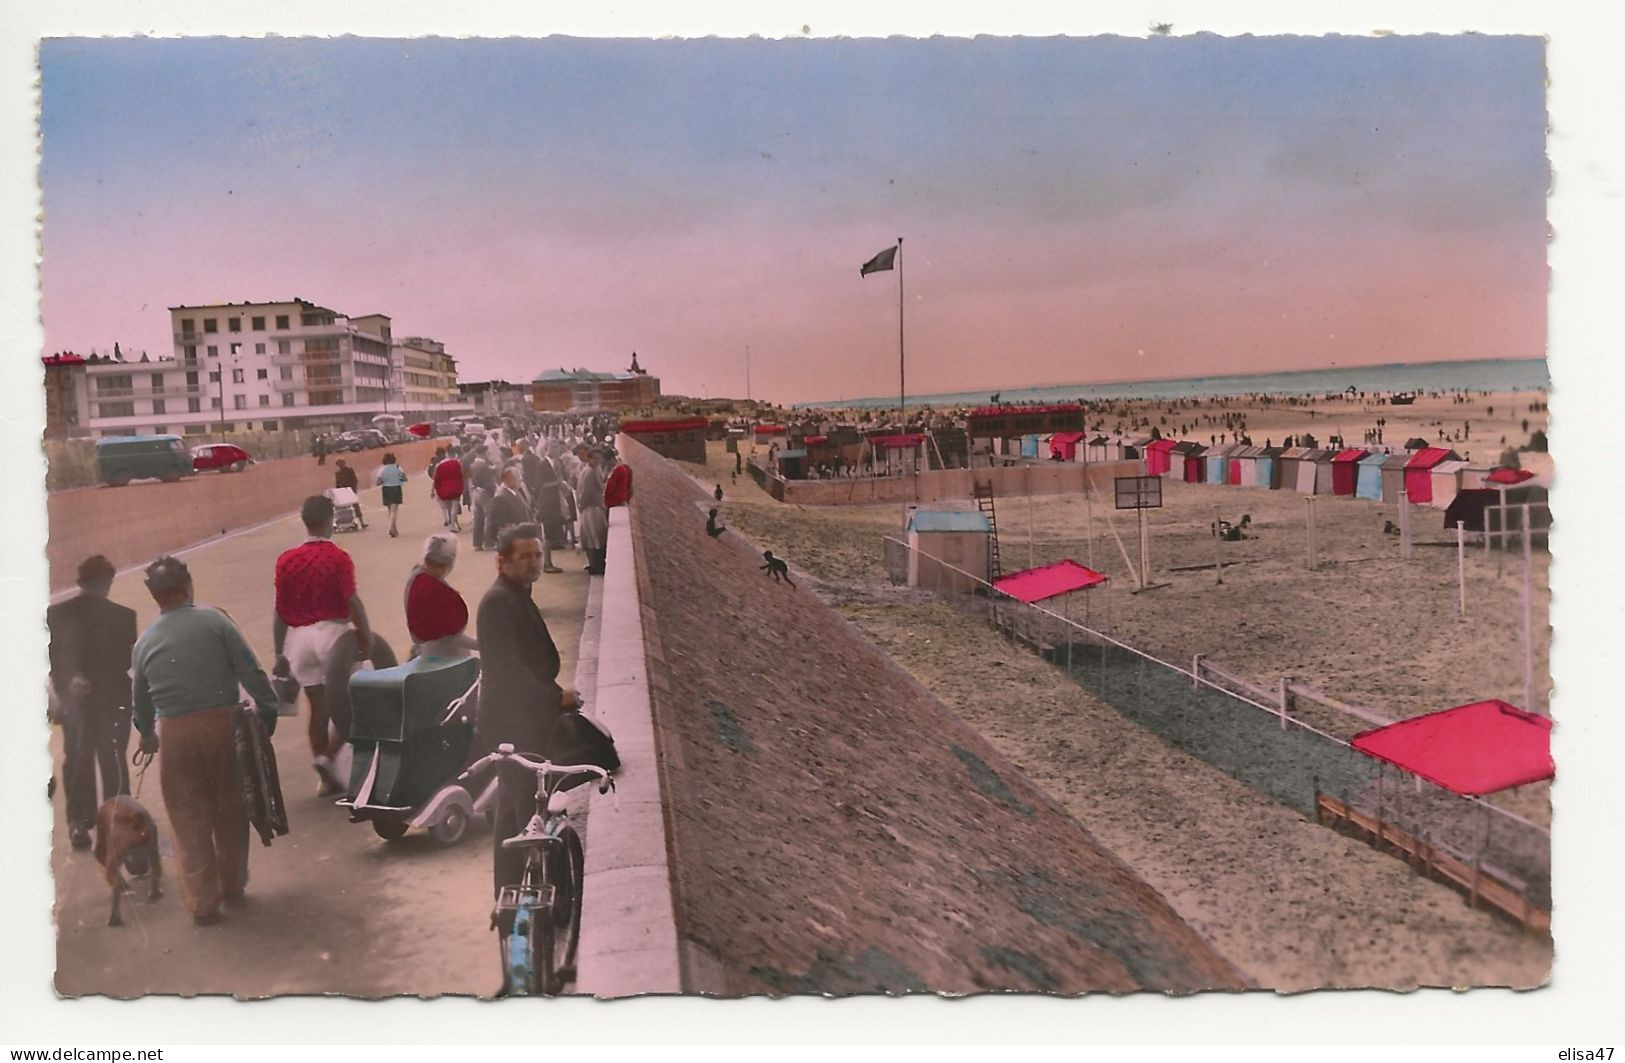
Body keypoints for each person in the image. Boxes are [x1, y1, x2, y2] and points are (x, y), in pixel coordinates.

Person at [131, 557, 280, 925]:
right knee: (230, 808)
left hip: (175, 735)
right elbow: (251, 669)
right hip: (223, 727)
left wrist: (148, 734)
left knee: (187, 816)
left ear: (156, 596)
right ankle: (232, 884)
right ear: (188, 586)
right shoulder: (215, 621)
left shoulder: (144, 642)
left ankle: (202, 901)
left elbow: (140, 704)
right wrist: (268, 710)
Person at [475, 523, 582, 908]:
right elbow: (508, 671)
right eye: (524, 558)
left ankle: (507, 898)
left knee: (510, 811)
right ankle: (540, 903)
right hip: (511, 724)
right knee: (527, 814)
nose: (534, 563)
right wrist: (556, 699)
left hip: (517, 720)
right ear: (501, 561)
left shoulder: (515, 593)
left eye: (538, 555)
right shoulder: (498, 602)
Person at [272, 496, 373, 796]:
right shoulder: (339, 557)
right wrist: (365, 635)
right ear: (330, 521)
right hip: (334, 636)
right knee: (353, 704)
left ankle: (325, 776)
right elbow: (352, 601)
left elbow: (279, 611)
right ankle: (328, 757)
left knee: (318, 708)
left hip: (299, 639)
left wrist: (280, 653)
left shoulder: (286, 560)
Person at [47, 555, 139, 852]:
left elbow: (49, 657)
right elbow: (126, 662)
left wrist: (69, 678)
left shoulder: (56, 614)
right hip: (112, 700)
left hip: (77, 704)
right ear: (109, 583)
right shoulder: (125, 616)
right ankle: (117, 823)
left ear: (79, 582)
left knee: (77, 761)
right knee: (113, 761)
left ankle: (79, 823)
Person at [405, 533, 478, 658]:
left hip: (425, 649)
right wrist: (480, 645)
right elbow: (448, 636)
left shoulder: (417, 577)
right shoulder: (433, 590)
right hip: (441, 656)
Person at [575, 447, 608, 575]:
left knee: (594, 536)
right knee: (595, 537)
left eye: (599, 458)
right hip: (592, 507)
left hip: (594, 506)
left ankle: (595, 564)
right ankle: (596, 565)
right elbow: (586, 492)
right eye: (595, 458)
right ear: (589, 458)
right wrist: (582, 505)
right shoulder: (590, 472)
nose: (598, 461)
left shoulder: (592, 469)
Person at [373, 452, 408, 538]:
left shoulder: (382, 469)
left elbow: (378, 482)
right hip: (396, 488)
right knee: (394, 510)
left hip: (386, 489)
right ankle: (392, 528)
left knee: (390, 510)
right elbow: (404, 478)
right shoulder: (398, 467)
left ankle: (393, 528)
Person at [433, 450, 465, 531]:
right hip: (456, 486)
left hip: (444, 487)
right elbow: (461, 475)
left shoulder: (439, 465)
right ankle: (453, 525)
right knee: (455, 506)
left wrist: (435, 488)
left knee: (448, 507)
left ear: (447, 455)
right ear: (454, 455)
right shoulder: (457, 463)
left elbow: (436, 477)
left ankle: (450, 522)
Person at [333, 458, 366, 529]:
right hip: (350, 490)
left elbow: (338, 484)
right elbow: (354, 480)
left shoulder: (338, 473)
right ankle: (361, 522)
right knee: (355, 507)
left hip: (346, 491)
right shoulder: (348, 470)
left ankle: (354, 522)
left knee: (349, 508)